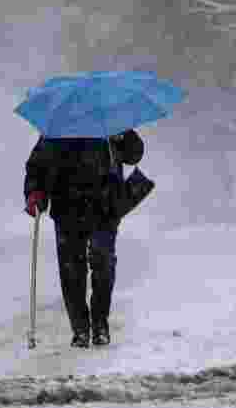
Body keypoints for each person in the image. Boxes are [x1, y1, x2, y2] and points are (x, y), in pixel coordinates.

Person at [23, 130, 145, 348]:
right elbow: (37, 165)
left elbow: (134, 155)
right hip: (67, 205)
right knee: (71, 270)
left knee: (103, 261)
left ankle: (100, 323)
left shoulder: (111, 124)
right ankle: (80, 328)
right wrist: (35, 192)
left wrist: (123, 137)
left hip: (105, 207)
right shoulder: (58, 129)